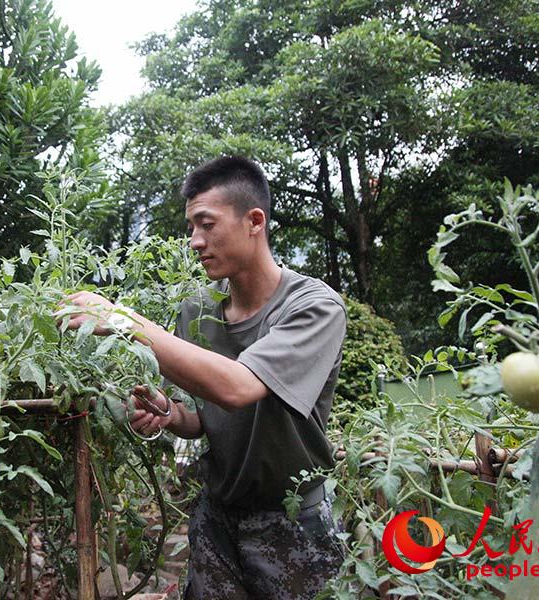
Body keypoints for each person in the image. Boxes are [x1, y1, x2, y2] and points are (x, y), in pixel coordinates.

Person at [65, 156, 346, 599]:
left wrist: (124, 320)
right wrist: (170, 413)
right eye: (191, 227)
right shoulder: (197, 309)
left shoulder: (313, 307)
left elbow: (237, 388)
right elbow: (201, 413)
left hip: (293, 523)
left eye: (207, 224)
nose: (195, 241)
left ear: (254, 221)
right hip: (217, 519)